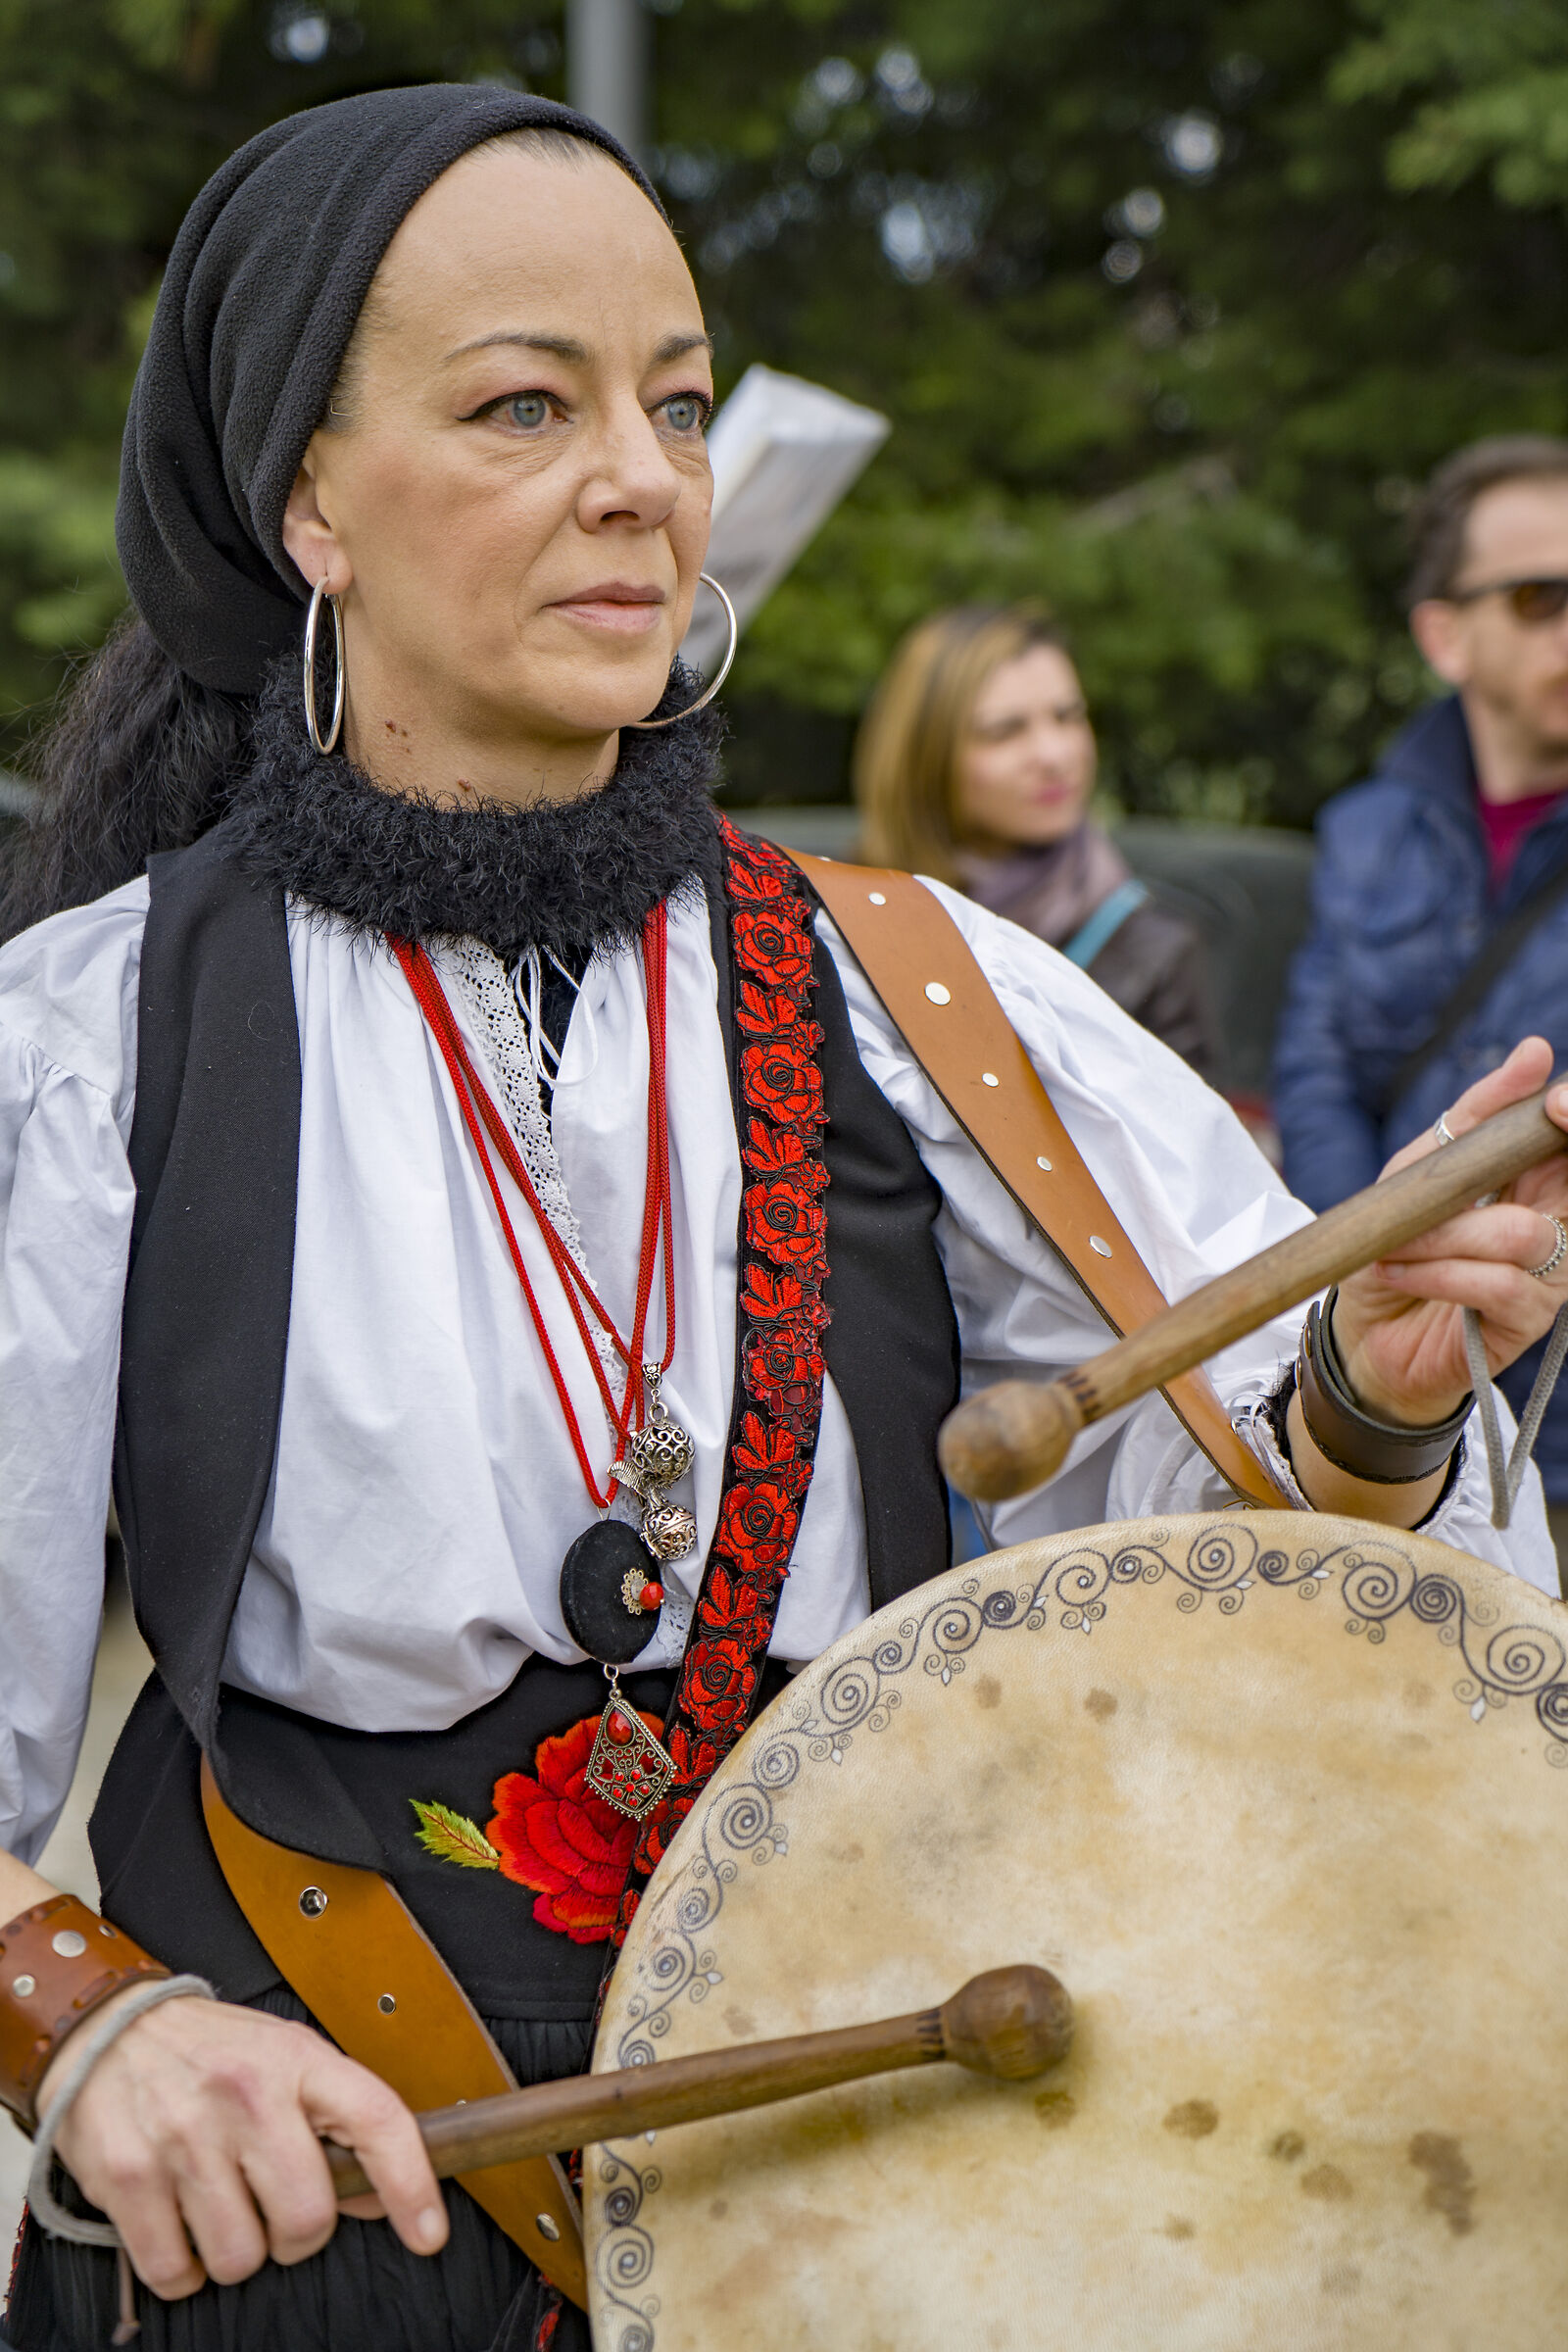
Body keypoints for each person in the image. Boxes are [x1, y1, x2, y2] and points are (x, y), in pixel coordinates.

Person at [1, 86, 1566, 2352]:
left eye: (674, 402)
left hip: (906, 2187)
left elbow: (1243, 1570)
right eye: (523, 405)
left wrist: (1373, 1381)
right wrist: (99, 2027)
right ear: (303, 497)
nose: (638, 476)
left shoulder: (925, 993)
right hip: (337, 2194)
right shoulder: (93, 1042)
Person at [1275, 436, 1568, 1568]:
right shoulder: (1361, 833)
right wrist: (1374, 1283)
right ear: (1444, 635)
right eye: (1541, 597)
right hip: (1391, 1412)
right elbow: (1319, 1073)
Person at [854, 603, 1218, 1075]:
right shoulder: (839, 914)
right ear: (925, 757)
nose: (1053, 754)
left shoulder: (1151, 952)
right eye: (1005, 732)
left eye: (1068, 717)